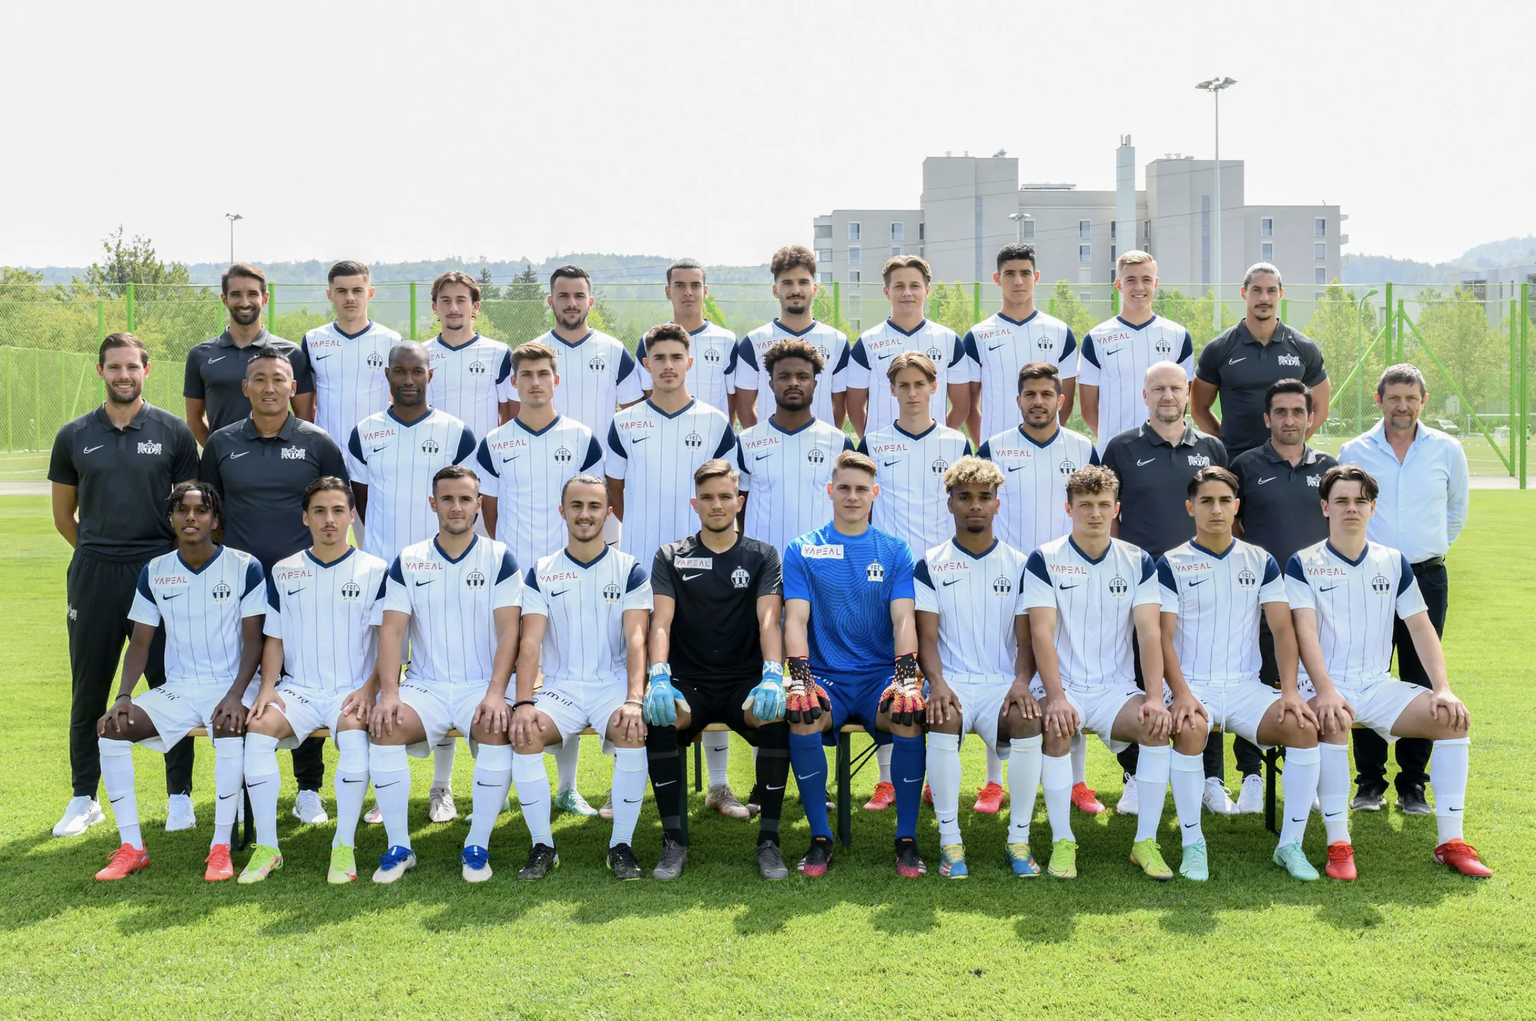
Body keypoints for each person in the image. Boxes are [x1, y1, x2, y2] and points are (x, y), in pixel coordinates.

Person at [1286, 464, 1489, 879]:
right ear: (1325, 507)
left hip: (1377, 686)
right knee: (1336, 718)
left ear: (1373, 507)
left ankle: (1451, 842)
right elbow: (1303, 633)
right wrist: (1323, 690)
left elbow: (1421, 627)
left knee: (1451, 720)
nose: (1351, 509)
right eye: (1341, 501)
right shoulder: (1303, 562)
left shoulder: (1393, 562)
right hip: (1320, 685)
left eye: (1360, 501)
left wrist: (1443, 688)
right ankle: (1339, 845)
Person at [49, 333, 200, 838]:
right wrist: (101, 553)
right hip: (94, 573)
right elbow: (64, 517)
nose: (123, 375)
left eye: (131, 366)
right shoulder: (74, 434)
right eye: (114, 367)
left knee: (170, 688)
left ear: (147, 370)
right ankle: (83, 797)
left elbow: (189, 512)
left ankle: (179, 797)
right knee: (89, 688)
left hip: (159, 575)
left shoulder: (174, 432)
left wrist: (145, 560)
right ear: (100, 372)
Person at [1021, 465, 1202, 881]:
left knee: (1156, 727)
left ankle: (1145, 842)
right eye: (1085, 505)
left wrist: (1155, 697)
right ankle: (1063, 840)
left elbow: (1149, 633)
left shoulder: (1138, 560)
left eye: (1104, 505)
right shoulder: (1045, 559)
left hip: (1115, 690)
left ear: (1117, 508)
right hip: (1062, 686)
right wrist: (1058, 698)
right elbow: (1041, 635)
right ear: (1069, 509)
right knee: (1057, 728)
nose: (1095, 514)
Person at [200, 348, 351, 825]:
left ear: (293, 387)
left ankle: (309, 789)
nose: (269, 387)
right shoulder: (222, 443)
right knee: (248, 686)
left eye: (279, 379)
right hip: (243, 588)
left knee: (301, 682)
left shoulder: (316, 442)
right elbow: (211, 514)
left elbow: (336, 506)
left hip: (305, 585)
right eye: (259, 379)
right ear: (245, 388)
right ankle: (247, 789)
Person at [515, 264, 643, 807]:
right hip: (531, 559)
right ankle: (562, 788)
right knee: (553, 666)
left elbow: (623, 442)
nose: (571, 302)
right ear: (550, 301)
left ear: (591, 300)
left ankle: (607, 791)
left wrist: (602, 537)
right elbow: (491, 508)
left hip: (591, 542)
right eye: (562, 295)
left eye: (579, 295)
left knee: (593, 655)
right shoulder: (527, 354)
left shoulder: (611, 355)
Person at [1156, 467, 1324, 881]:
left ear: (1236, 506)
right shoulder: (1171, 563)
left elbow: (1283, 631)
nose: (1216, 509)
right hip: (1192, 686)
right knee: (1192, 730)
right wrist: (1179, 694)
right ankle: (1193, 844)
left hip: (1247, 688)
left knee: (1302, 728)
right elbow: (1162, 637)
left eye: (1225, 501)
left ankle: (1290, 847)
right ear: (1190, 506)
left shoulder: (1260, 560)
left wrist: (1289, 692)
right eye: (1207, 501)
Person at [92, 484, 266, 882]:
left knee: (227, 724)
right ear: (171, 517)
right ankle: (132, 847)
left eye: (201, 510)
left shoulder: (245, 566)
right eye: (183, 510)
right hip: (181, 687)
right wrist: (122, 696)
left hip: (234, 684)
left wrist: (236, 695)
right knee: (111, 730)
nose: (192, 517)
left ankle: (220, 848)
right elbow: (140, 641)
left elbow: (255, 640)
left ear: (215, 520)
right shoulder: (155, 571)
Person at [367, 466, 523, 884]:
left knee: (495, 728)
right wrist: (389, 693)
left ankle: (477, 845)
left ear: (478, 504)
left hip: (481, 686)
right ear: (433, 503)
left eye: (466, 499)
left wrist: (495, 693)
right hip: (426, 686)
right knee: (385, 728)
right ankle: (399, 847)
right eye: (448, 499)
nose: (457, 507)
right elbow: (393, 630)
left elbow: (511, 630)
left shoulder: (499, 557)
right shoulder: (409, 559)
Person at [607, 323, 737, 816]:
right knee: (640, 672)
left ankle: (720, 786)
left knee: (711, 666)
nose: (666, 365)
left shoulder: (714, 421)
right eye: (656, 356)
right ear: (645, 364)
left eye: (674, 357)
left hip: (704, 562)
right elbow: (615, 494)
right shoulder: (625, 423)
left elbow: (723, 492)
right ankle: (633, 785)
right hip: (643, 567)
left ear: (690, 362)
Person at [642, 459, 793, 880]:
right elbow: (661, 622)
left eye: (725, 496)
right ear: (695, 503)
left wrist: (772, 673)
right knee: (663, 716)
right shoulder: (671, 555)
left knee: (774, 716)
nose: (717, 505)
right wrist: (658, 675)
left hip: (745, 681)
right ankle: (674, 843)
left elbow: (769, 620)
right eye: (707, 498)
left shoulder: (763, 555)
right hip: (689, 682)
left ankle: (769, 841)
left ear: (739, 501)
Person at [475, 340, 606, 820]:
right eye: (525, 374)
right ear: (514, 382)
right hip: (512, 579)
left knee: (565, 676)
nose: (534, 382)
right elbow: (487, 511)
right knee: (507, 674)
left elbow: (594, 503)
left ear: (556, 380)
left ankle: (567, 788)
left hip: (567, 577)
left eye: (542, 374)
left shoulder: (582, 437)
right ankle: (497, 787)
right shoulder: (494, 442)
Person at [346, 340, 476, 822]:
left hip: (443, 571)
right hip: (384, 575)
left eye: (416, 371)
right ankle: (386, 788)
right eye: (399, 371)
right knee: (386, 679)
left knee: (441, 674)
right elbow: (359, 499)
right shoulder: (365, 432)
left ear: (429, 374)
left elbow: (465, 499)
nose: (407, 379)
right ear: (387, 375)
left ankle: (441, 788)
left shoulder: (456, 432)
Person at [781, 451, 926, 878]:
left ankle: (907, 839)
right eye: (843, 487)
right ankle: (820, 838)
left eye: (861, 489)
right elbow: (796, 617)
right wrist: (800, 677)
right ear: (830, 490)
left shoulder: (895, 550)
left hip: (881, 675)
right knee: (802, 714)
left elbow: (903, 618)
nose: (852, 496)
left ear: (874, 494)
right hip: (826, 676)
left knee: (908, 713)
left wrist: (905, 678)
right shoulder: (803, 548)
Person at [239, 477, 389, 884]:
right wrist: (268, 686)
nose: (329, 520)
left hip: (353, 689)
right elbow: (275, 638)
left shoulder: (376, 570)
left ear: (351, 516)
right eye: (320, 511)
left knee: (356, 741)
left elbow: (386, 642)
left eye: (339, 510)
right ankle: (267, 848)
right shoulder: (284, 571)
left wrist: (371, 687)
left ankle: (343, 846)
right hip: (299, 689)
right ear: (305, 517)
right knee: (257, 732)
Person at [1098, 361, 1231, 813]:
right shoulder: (1121, 448)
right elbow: (1109, 517)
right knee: (1141, 678)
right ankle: (1138, 775)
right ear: (1145, 395)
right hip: (1140, 583)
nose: (1168, 396)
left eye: (1175, 388)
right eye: (1158, 389)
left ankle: (1211, 777)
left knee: (1200, 675)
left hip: (1200, 582)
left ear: (1188, 391)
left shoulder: (1211, 446)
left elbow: (1226, 514)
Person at [1339, 364, 1470, 814]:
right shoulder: (1355, 449)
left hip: (1426, 576)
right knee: (1365, 675)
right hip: (1366, 579)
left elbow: (1455, 512)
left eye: (1411, 398)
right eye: (1394, 397)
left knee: (1421, 678)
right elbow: (1346, 509)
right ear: (1379, 400)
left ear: (1423, 401)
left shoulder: (1447, 449)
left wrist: (1424, 551)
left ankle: (1413, 783)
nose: (1403, 406)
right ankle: (1369, 783)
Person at [976, 361, 1104, 815]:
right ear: (1018, 401)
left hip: (1066, 573)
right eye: (1030, 394)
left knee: (1066, 671)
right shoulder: (994, 446)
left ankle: (1079, 781)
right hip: (1008, 573)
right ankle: (993, 782)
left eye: (1047, 394)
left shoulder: (1082, 447)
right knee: (1006, 668)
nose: (1038, 401)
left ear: (1060, 400)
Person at [510, 474, 653, 881]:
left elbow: (637, 639)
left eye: (594, 506)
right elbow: (531, 642)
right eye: (576, 506)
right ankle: (543, 845)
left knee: (632, 731)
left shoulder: (630, 569)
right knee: (526, 733)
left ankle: (620, 845)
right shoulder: (542, 571)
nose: (585, 514)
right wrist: (522, 703)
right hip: (561, 688)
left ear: (609, 513)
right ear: (562, 512)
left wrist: (633, 700)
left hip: (612, 686)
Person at [854, 352, 974, 811]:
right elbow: (862, 509)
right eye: (902, 385)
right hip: (890, 575)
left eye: (919, 384)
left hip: (947, 572)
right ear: (892, 391)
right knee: (891, 671)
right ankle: (886, 780)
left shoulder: (955, 442)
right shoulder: (874, 443)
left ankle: (935, 775)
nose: (911, 393)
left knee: (944, 667)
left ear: (933, 387)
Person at [915, 457, 1042, 878]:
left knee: (1027, 721)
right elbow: (926, 638)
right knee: (943, 716)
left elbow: (1027, 640)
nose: (975, 506)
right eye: (965, 497)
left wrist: (1022, 681)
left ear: (997, 505)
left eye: (984, 497)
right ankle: (950, 842)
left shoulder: (1021, 564)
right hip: (951, 681)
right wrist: (937, 683)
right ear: (949, 503)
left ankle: (1018, 840)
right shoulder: (929, 563)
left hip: (1001, 684)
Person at [1228, 378, 1338, 811]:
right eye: (1281, 412)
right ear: (1266, 418)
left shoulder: (1328, 466)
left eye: (1298, 412)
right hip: (1258, 599)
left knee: (1308, 683)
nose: (1289, 420)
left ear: (1311, 418)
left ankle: (1303, 771)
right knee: (1255, 682)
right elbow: (1234, 525)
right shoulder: (1247, 466)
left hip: (1316, 598)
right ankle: (1252, 775)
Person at [1191, 263, 1331, 455]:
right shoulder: (1219, 348)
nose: (1264, 298)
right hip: (1234, 463)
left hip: (1285, 463)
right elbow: (1198, 408)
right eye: (1256, 290)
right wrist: (1223, 444)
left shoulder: (1303, 347)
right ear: (1243, 293)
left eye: (1271, 291)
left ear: (1280, 294)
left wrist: (1290, 445)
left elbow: (1321, 409)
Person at [736, 339, 853, 553]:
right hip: (762, 568)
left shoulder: (838, 443)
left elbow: (852, 506)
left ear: (815, 384)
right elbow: (740, 506)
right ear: (771, 384)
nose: (793, 383)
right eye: (784, 376)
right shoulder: (746, 442)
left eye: (802, 376)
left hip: (822, 565)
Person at [184, 263, 314, 445]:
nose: (244, 303)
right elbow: (194, 420)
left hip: (280, 463)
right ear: (224, 299)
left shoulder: (291, 353)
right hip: (224, 468)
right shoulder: (200, 355)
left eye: (252, 294)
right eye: (236, 294)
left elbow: (305, 418)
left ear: (265, 298)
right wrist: (219, 454)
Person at [1077, 251, 1194, 453]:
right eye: (1131, 280)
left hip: (1166, 452)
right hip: (1114, 454)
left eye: (1146, 279)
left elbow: (1183, 400)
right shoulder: (1096, 338)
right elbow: (1088, 408)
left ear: (1155, 283)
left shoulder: (1178, 335)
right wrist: (1117, 444)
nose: (1139, 287)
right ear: (1119, 285)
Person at [963, 244, 1079, 445]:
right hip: (996, 456)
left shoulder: (1060, 332)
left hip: (1047, 449)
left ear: (1036, 277)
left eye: (1025, 273)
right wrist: (986, 448)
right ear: (997, 279)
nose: (1018, 281)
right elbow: (969, 407)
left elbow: (1065, 402)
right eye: (1009, 273)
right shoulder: (977, 336)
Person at [845, 256, 969, 437]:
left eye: (914, 286)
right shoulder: (867, 342)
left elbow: (961, 406)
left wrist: (940, 440)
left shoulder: (949, 340)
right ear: (886, 292)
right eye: (899, 286)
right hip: (880, 454)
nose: (907, 292)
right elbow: (854, 407)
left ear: (927, 290)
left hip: (934, 454)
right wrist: (872, 442)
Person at [733, 246, 850, 429]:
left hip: (819, 452)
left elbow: (839, 407)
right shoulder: (754, 341)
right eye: (787, 283)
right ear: (775, 290)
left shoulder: (837, 341)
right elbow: (745, 408)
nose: (796, 290)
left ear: (815, 288)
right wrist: (762, 444)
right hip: (767, 453)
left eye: (803, 282)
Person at [298, 260, 402, 462]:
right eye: (341, 291)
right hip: (326, 451)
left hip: (379, 451)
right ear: (330, 295)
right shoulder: (313, 340)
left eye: (357, 290)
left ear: (370, 293)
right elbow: (305, 406)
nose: (350, 298)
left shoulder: (392, 340)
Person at [424, 270, 515, 456]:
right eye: (446, 300)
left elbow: (507, 415)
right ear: (435, 307)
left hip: (482, 462)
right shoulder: (420, 355)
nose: (454, 308)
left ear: (475, 307)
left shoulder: (499, 353)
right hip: (433, 458)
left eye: (461, 300)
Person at [634, 258, 737, 414]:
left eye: (695, 285)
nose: (688, 292)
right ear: (668, 292)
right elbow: (648, 394)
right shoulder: (650, 339)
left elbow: (733, 397)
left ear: (705, 291)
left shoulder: (727, 341)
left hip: (712, 436)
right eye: (680, 285)